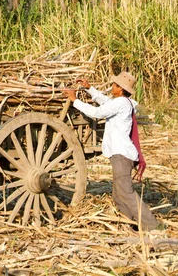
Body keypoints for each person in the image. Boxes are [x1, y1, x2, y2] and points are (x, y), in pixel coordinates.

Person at [64, 71, 162, 232]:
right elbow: (105, 102)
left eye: (114, 85)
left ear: (121, 89)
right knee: (118, 194)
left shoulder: (122, 103)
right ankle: (130, 224)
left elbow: (97, 112)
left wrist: (75, 101)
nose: (112, 87)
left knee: (126, 191)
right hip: (120, 155)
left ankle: (153, 225)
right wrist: (89, 88)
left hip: (122, 155)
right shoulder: (123, 102)